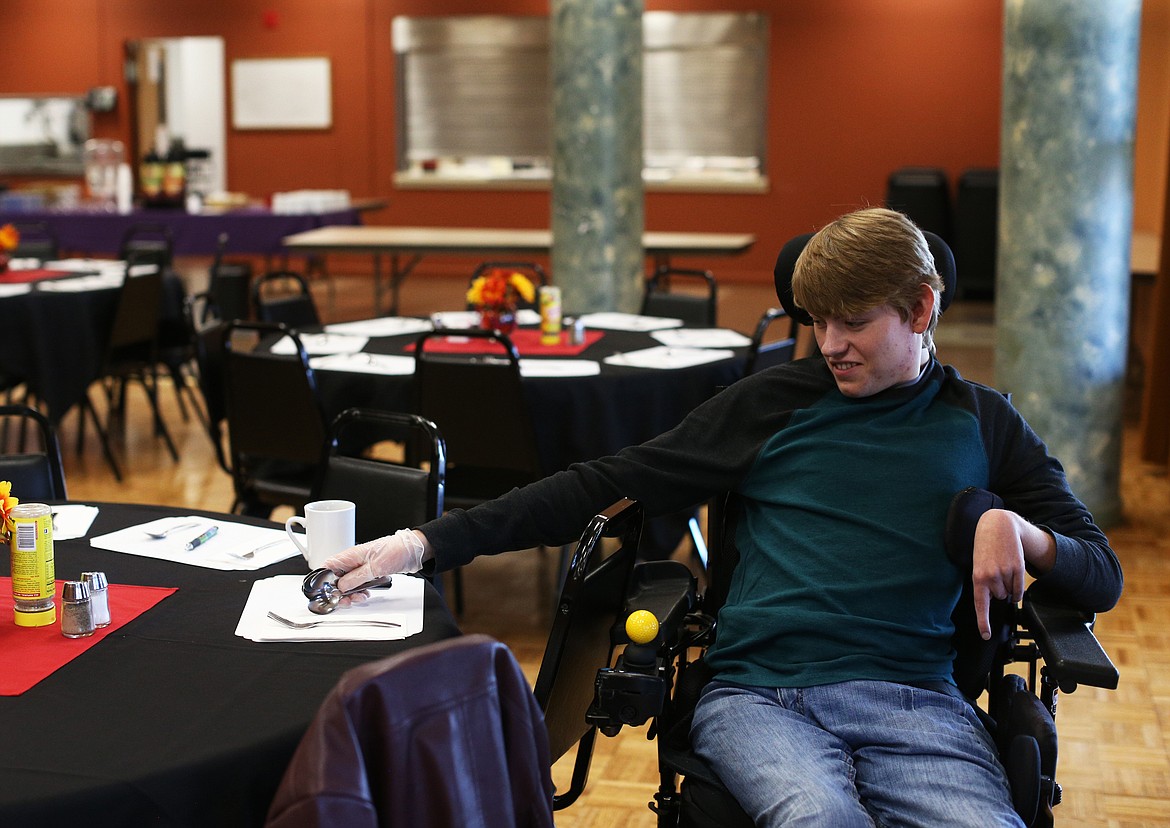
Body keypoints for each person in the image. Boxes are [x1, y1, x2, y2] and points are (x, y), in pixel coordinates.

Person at [324, 207, 1123, 826]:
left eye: (854, 322)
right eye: (817, 322)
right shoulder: (771, 405)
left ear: (920, 309)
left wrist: (1022, 533)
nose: (829, 344)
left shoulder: (983, 423)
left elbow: (1100, 570)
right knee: (820, 819)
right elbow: (603, 481)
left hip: (915, 702)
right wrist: (419, 542)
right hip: (762, 696)